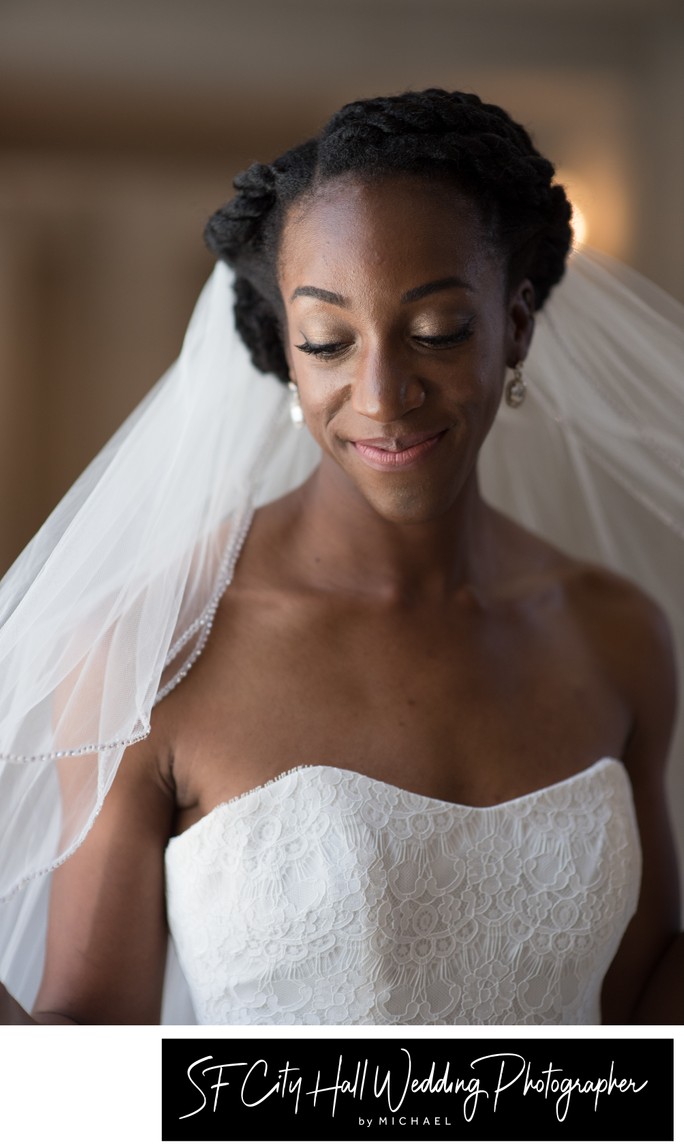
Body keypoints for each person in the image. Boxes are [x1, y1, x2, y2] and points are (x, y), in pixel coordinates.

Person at [0, 88, 682, 1025]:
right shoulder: (149, 653)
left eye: (439, 332)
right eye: (327, 341)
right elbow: (92, 1062)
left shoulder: (617, 635)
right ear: (286, 352)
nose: (382, 393)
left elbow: (646, 1021)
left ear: (516, 325)